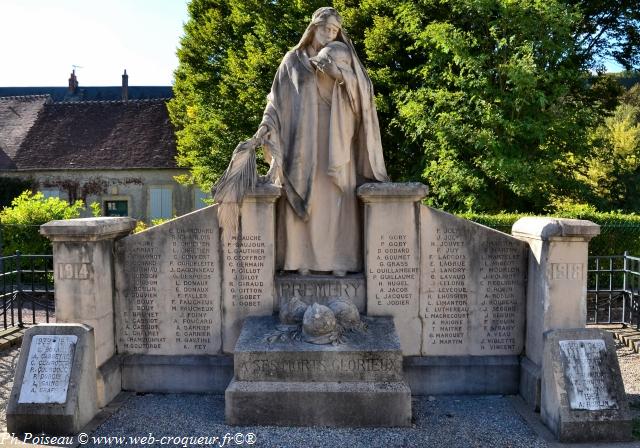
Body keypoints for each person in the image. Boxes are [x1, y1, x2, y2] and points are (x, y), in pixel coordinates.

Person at [255, 7, 388, 276]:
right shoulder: (292, 60)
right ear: (313, 27)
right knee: (306, 194)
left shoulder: (343, 56)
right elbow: (275, 100)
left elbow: (364, 94)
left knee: (337, 199)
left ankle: (340, 261)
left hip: (337, 138)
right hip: (302, 141)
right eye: (325, 28)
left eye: (334, 30)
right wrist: (266, 126)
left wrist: (342, 77)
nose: (329, 34)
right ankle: (298, 261)